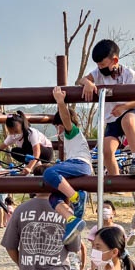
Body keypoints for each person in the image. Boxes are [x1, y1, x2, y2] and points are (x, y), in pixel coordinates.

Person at [77, 39, 135, 177]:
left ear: (114, 60)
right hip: (113, 117)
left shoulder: (130, 75)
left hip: (132, 110)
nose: (99, 67)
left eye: (102, 64)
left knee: (127, 121)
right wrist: (87, 83)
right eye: (97, 65)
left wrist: (124, 107)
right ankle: (115, 181)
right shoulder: (98, 73)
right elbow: (80, 80)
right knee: (106, 150)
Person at [43, 85, 93, 244]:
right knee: (54, 198)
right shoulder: (72, 141)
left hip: (80, 164)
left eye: (57, 126)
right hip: (76, 166)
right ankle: (71, 219)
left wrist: (60, 102)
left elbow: (65, 118)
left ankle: (77, 198)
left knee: (49, 173)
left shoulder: (72, 132)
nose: (57, 131)